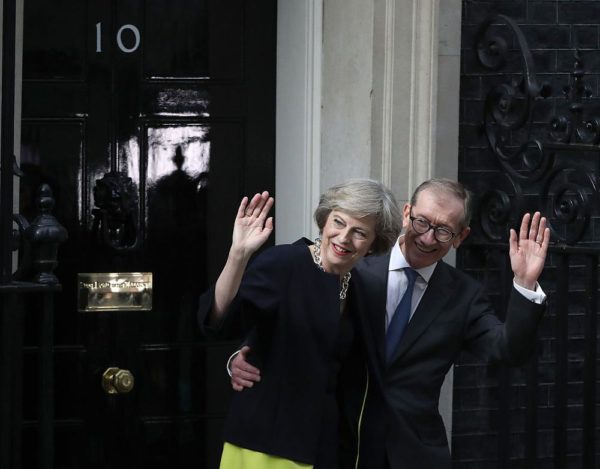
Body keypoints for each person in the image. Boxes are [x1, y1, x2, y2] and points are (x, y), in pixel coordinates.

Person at [230, 178, 550, 468]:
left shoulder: (464, 296)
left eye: (443, 230)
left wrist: (524, 284)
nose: (427, 237)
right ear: (407, 213)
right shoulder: (353, 265)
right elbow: (296, 326)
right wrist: (246, 354)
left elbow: (507, 350)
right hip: (341, 442)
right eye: (421, 222)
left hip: (412, 452)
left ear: (460, 237)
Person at [198, 179, 402, 468]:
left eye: (359, 232)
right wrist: (238, 255)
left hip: (327, 446)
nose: (344, 238)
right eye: (339, 222)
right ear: (325, 220)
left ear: (372, 243)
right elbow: (220, 321)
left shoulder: (363, 289)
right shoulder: (285, 263)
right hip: (267, 445)